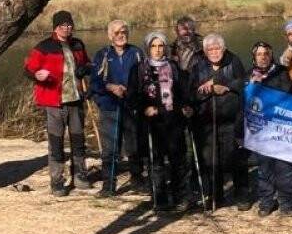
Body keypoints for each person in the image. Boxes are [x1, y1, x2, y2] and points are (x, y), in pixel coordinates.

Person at [24, 10, 92, 196]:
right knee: (56, 141)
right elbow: (29, 69)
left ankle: (79, 175)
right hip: (54, 102)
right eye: (63, 25)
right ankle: (57, 181)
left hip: (75, 99)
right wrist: (37, 76)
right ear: (56, 27)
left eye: (69, 25)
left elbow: (88, 63)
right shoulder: (44, 47)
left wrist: (85, 68)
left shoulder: (78, 44)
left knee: (78, 139)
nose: (67, 28)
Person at [132, 32, 193, 212]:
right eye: (154, 46)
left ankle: (180, 197)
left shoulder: (173, 66)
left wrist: (186, 106)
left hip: (173, 120)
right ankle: (160, 198)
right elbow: (133, 95)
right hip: (152, 122)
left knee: (177, 160)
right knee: (156, 161)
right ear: (148, 48)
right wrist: (144, 108)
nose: (157, 50)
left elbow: (182, 92)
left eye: (161, 46)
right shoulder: (140, 69)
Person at [188, 34, 250, 210]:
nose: (214, 52)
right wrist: (206, 91)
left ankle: (242, 196)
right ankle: (215, 195)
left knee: (236, 159)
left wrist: (224, 84)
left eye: (218, 49)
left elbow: (244, 82)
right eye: (210, 50)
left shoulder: (234, 61)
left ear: (223, 49)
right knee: (210, 160)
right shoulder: (198, 66)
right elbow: (191, 92)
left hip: (231, 119)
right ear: (205, 52)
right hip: (207, 122)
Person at [88, 19, 146, 196]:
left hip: (131, 106)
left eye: (124, 32)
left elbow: (145, 79)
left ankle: (137, 181)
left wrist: (133, 90)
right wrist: (110, 87)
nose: (121, 35)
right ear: (110, 35)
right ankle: (109, 186)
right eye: (117, 32)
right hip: (110, 106)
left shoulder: (136, 53)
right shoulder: (102, 55)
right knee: (111, 148)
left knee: (134, 146)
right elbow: (95, 82)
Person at [250, 41, 292, 217]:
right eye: (259, 54)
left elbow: (288, 93)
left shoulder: (282, 72)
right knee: (264, 168)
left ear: (271, 56)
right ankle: (266, 202)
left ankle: (287, 203)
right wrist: (252, 85)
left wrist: (265, 85)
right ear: (254, 57)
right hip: (260, 130)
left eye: (266, 54)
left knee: (284, 167)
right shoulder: (250, 75)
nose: (263, 57)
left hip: (280, 128)